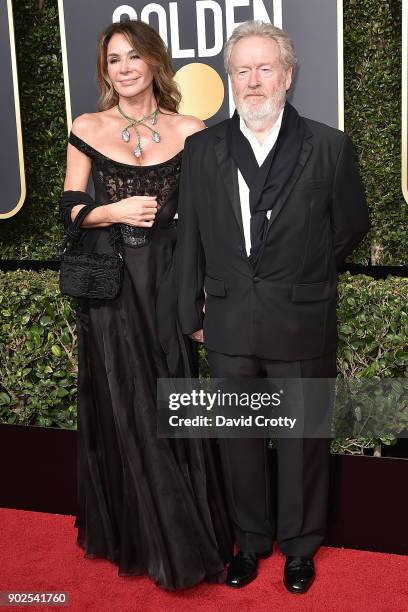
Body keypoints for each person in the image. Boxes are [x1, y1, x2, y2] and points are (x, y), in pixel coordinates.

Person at [176, 20, 370, 593]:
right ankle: (252, 542)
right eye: (243, 70)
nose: (254, 80)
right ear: (230, 79)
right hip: (229, 322)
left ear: (287, 75)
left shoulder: (329, 146)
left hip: (301, 319)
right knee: (238, 441)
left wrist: (300, 276)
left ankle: (301, 548)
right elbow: (192, 239)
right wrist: (192, 311)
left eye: (265, 68)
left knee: (301, 441)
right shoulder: (202, 149)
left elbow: (349, 227)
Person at [60, 19, 232, 590]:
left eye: (134, 56)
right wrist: (112, 211)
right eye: (114, 60)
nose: (125, 68)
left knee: (170, 394)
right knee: (125, 400)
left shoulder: (192, 129)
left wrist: (204, 292)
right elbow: (69, 213)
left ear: (156, 62)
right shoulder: (87, 126)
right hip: (110, 287)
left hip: (168, 283)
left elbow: (210, 222)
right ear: (105, 71)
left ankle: (184, 525)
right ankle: (153, 536)